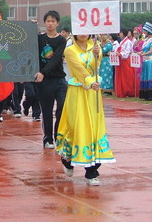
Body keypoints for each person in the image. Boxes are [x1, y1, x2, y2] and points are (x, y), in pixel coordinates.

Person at [56, 34, 116, 186]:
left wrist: (98, 55)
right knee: (76, 126)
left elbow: (96, 67)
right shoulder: (70, 50)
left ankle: (92, 172)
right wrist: (90, 82)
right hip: (77, 93)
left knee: (95, 128)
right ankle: (67, 160)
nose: (83, 34)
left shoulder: (95, 48)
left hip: (93, 94)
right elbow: (79, 70)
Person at [34, 11, 67, 149]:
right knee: (46, 111)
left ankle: (58, 135)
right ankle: (48, 138)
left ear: (57, 23)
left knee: (61, 108)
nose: (50, 23)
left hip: (59, 80)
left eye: (53, 21)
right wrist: (31, 27)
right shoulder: (39, 39)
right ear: (44, 23)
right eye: (48, 21)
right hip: (44, 82)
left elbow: (55, 59)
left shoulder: (61, 40)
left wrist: (43, 72)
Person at [114, 28, 138, 98]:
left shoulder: (128, 42)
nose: (120, 34)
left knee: (127, 77)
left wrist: (120, 54)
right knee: (122, 76)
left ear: (124, 33)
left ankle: (128, 91)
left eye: (121, 33)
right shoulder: (122, 42)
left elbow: (127, 52)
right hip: (121, 61)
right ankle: (122, 91)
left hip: (126, 61)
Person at [139, 22, 152, 100]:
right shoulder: (146, 40)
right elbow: (144, 50)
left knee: (150, 77)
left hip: (150, 61)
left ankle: (151, 95)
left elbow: (150, 51)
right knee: (146, 77)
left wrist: (143, 54)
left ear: (148, 31)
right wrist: (140, 53)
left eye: (145, 30)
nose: (143, 32)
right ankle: (146, 95)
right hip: (145, 61)